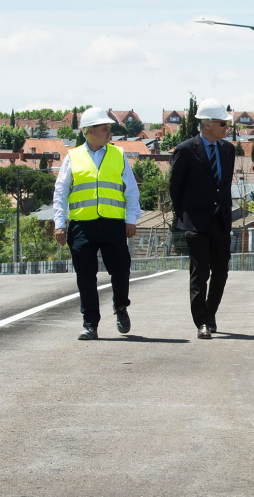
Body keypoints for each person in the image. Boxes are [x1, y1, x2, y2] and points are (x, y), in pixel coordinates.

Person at [52, 107, 141, 340]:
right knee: (85, 276)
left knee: (121, 269)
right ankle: (90, 323)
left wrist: (130, 219)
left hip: (113, 224)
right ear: (89, 131)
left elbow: (131, 190)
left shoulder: (118, 154)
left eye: (110, 128)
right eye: (105, 128)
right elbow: (60, 192)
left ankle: (121, 307)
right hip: (82, 225)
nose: (109, 132)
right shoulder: (72, 157)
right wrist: (59, 224)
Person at [169, 98, 235, 339]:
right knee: (200, 272)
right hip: (195, 223)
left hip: (221, 221)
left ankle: (210, 313)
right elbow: (175, 187)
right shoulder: (186, 150)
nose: (225, 127)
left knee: (221, 272)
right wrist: (185, 216)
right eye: (221, 123)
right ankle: (202, 322)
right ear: (206, 124)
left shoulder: (228, 150)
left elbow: (224, 186)